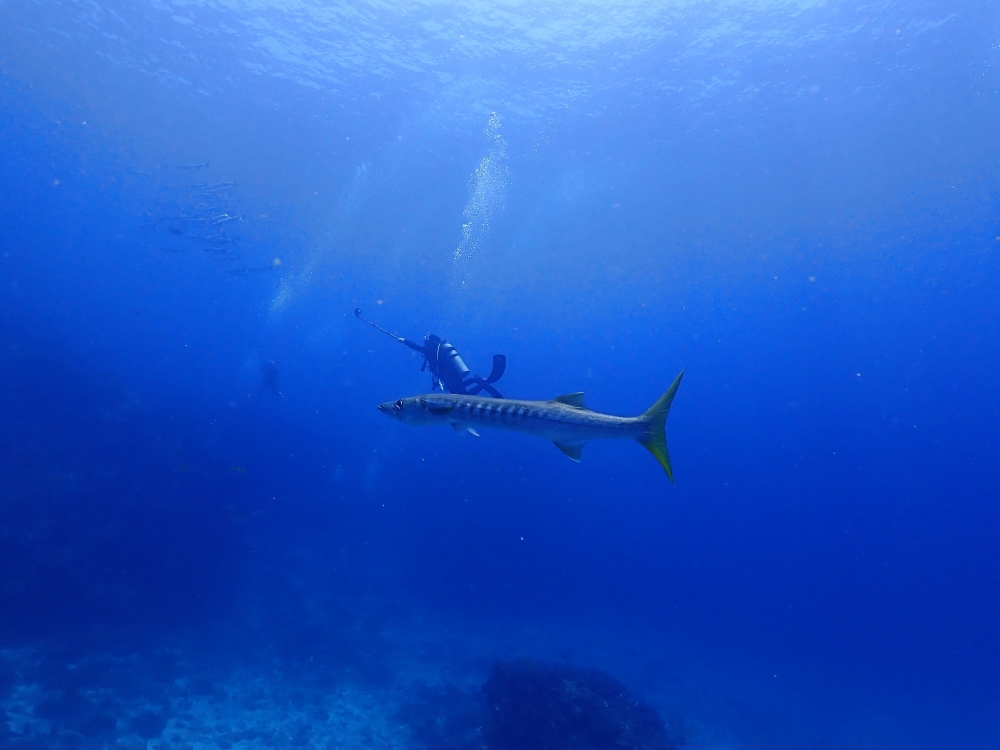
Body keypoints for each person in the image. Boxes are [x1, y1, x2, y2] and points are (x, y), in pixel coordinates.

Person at [355, 309, 505, 397]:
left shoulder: (430, 349)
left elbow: (417, 347)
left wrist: (404, 341)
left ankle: (478, 381)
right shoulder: (438, 349)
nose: (425, 343)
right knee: (460, 392)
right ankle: (476, 380)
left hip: (449, 375)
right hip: (452, 374)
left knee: (461, 397)